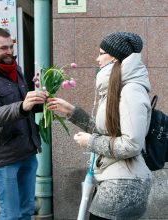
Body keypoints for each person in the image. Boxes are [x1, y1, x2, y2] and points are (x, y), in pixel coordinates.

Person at [47, 32, 152, 220]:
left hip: (124, 186)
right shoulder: (117, 86)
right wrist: (72, 112)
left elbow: (131, 145)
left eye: (101, 53)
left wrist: (91, 142)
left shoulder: (130, 90)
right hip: (115, 180)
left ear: (114, 57)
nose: (97, 58)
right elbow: (108, 131)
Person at [0, 28, 47, 220]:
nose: (9, 52)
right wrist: (23, 106)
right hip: (5, 156)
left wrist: (42, 103)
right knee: (10, 215)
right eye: (3, 48)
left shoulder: (15, 68)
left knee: (26, 210)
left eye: (11, 47)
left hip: (27, 151)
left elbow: (24, 107)